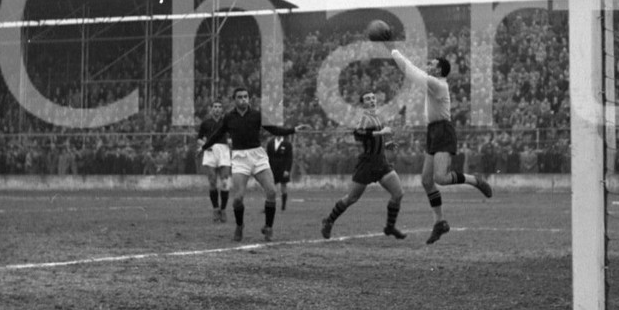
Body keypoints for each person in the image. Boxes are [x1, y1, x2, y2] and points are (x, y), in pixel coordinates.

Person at [390, 48, 491, 243]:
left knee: (441, 178)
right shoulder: (434, 84)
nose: (428, 66)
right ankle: (440, 222)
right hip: (433, 130)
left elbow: (411, 70)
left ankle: (475, 180)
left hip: (443, 130)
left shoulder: (438, 84)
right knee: (427, 181)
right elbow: (413, 72)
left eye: (432, 64)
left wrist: (394, 51)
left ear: (439, 70)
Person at [200, 88, 307, 242]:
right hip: (239, 158)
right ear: (234, 100)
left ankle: (268, 227)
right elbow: (217, 135)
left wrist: (293, 130)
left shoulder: (257, 115)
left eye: (246, 96)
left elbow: (274, 129)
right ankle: (239, 226)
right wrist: (204, 147)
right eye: (240, 97)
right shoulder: (229, 117)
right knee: (238, 199)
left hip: (257, 156)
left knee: (272, 192)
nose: (243, 99)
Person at [321, 91, 406, 240]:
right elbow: (358, 134)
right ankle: (329, 221)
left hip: (381, 162)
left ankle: (390, 227)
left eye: (373, 98)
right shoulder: (364, 118)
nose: (372, 100)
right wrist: (381, 133)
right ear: (363, 103)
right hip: (367, 164)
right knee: (351, 198)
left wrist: (386, 144)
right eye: (368, 99)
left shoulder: (376, 117)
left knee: (398, 193)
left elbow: (372, 140)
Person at [197, 100, 231, 222]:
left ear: (222, 109)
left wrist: (231, 142)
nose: (217, 109)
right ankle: (216, 209)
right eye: (215, 107)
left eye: (219, 107)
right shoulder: (205, 123)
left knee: (225, 182)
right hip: (210, 151)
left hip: (224, 151)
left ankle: (223, 209)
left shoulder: (227, 122)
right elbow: (199, 139)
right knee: (212, 181)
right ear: (211, 109)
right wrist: (204, 144)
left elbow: (233, 137)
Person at [266, 133, 293, 212]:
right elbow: (267, 156)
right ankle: (270, 205)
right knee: (271, 187)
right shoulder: (270, 143)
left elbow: (289, 158)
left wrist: (287, 170)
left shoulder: (287, 144)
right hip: (272, 168)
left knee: (283, 186)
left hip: (283, 168)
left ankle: (283, 206)